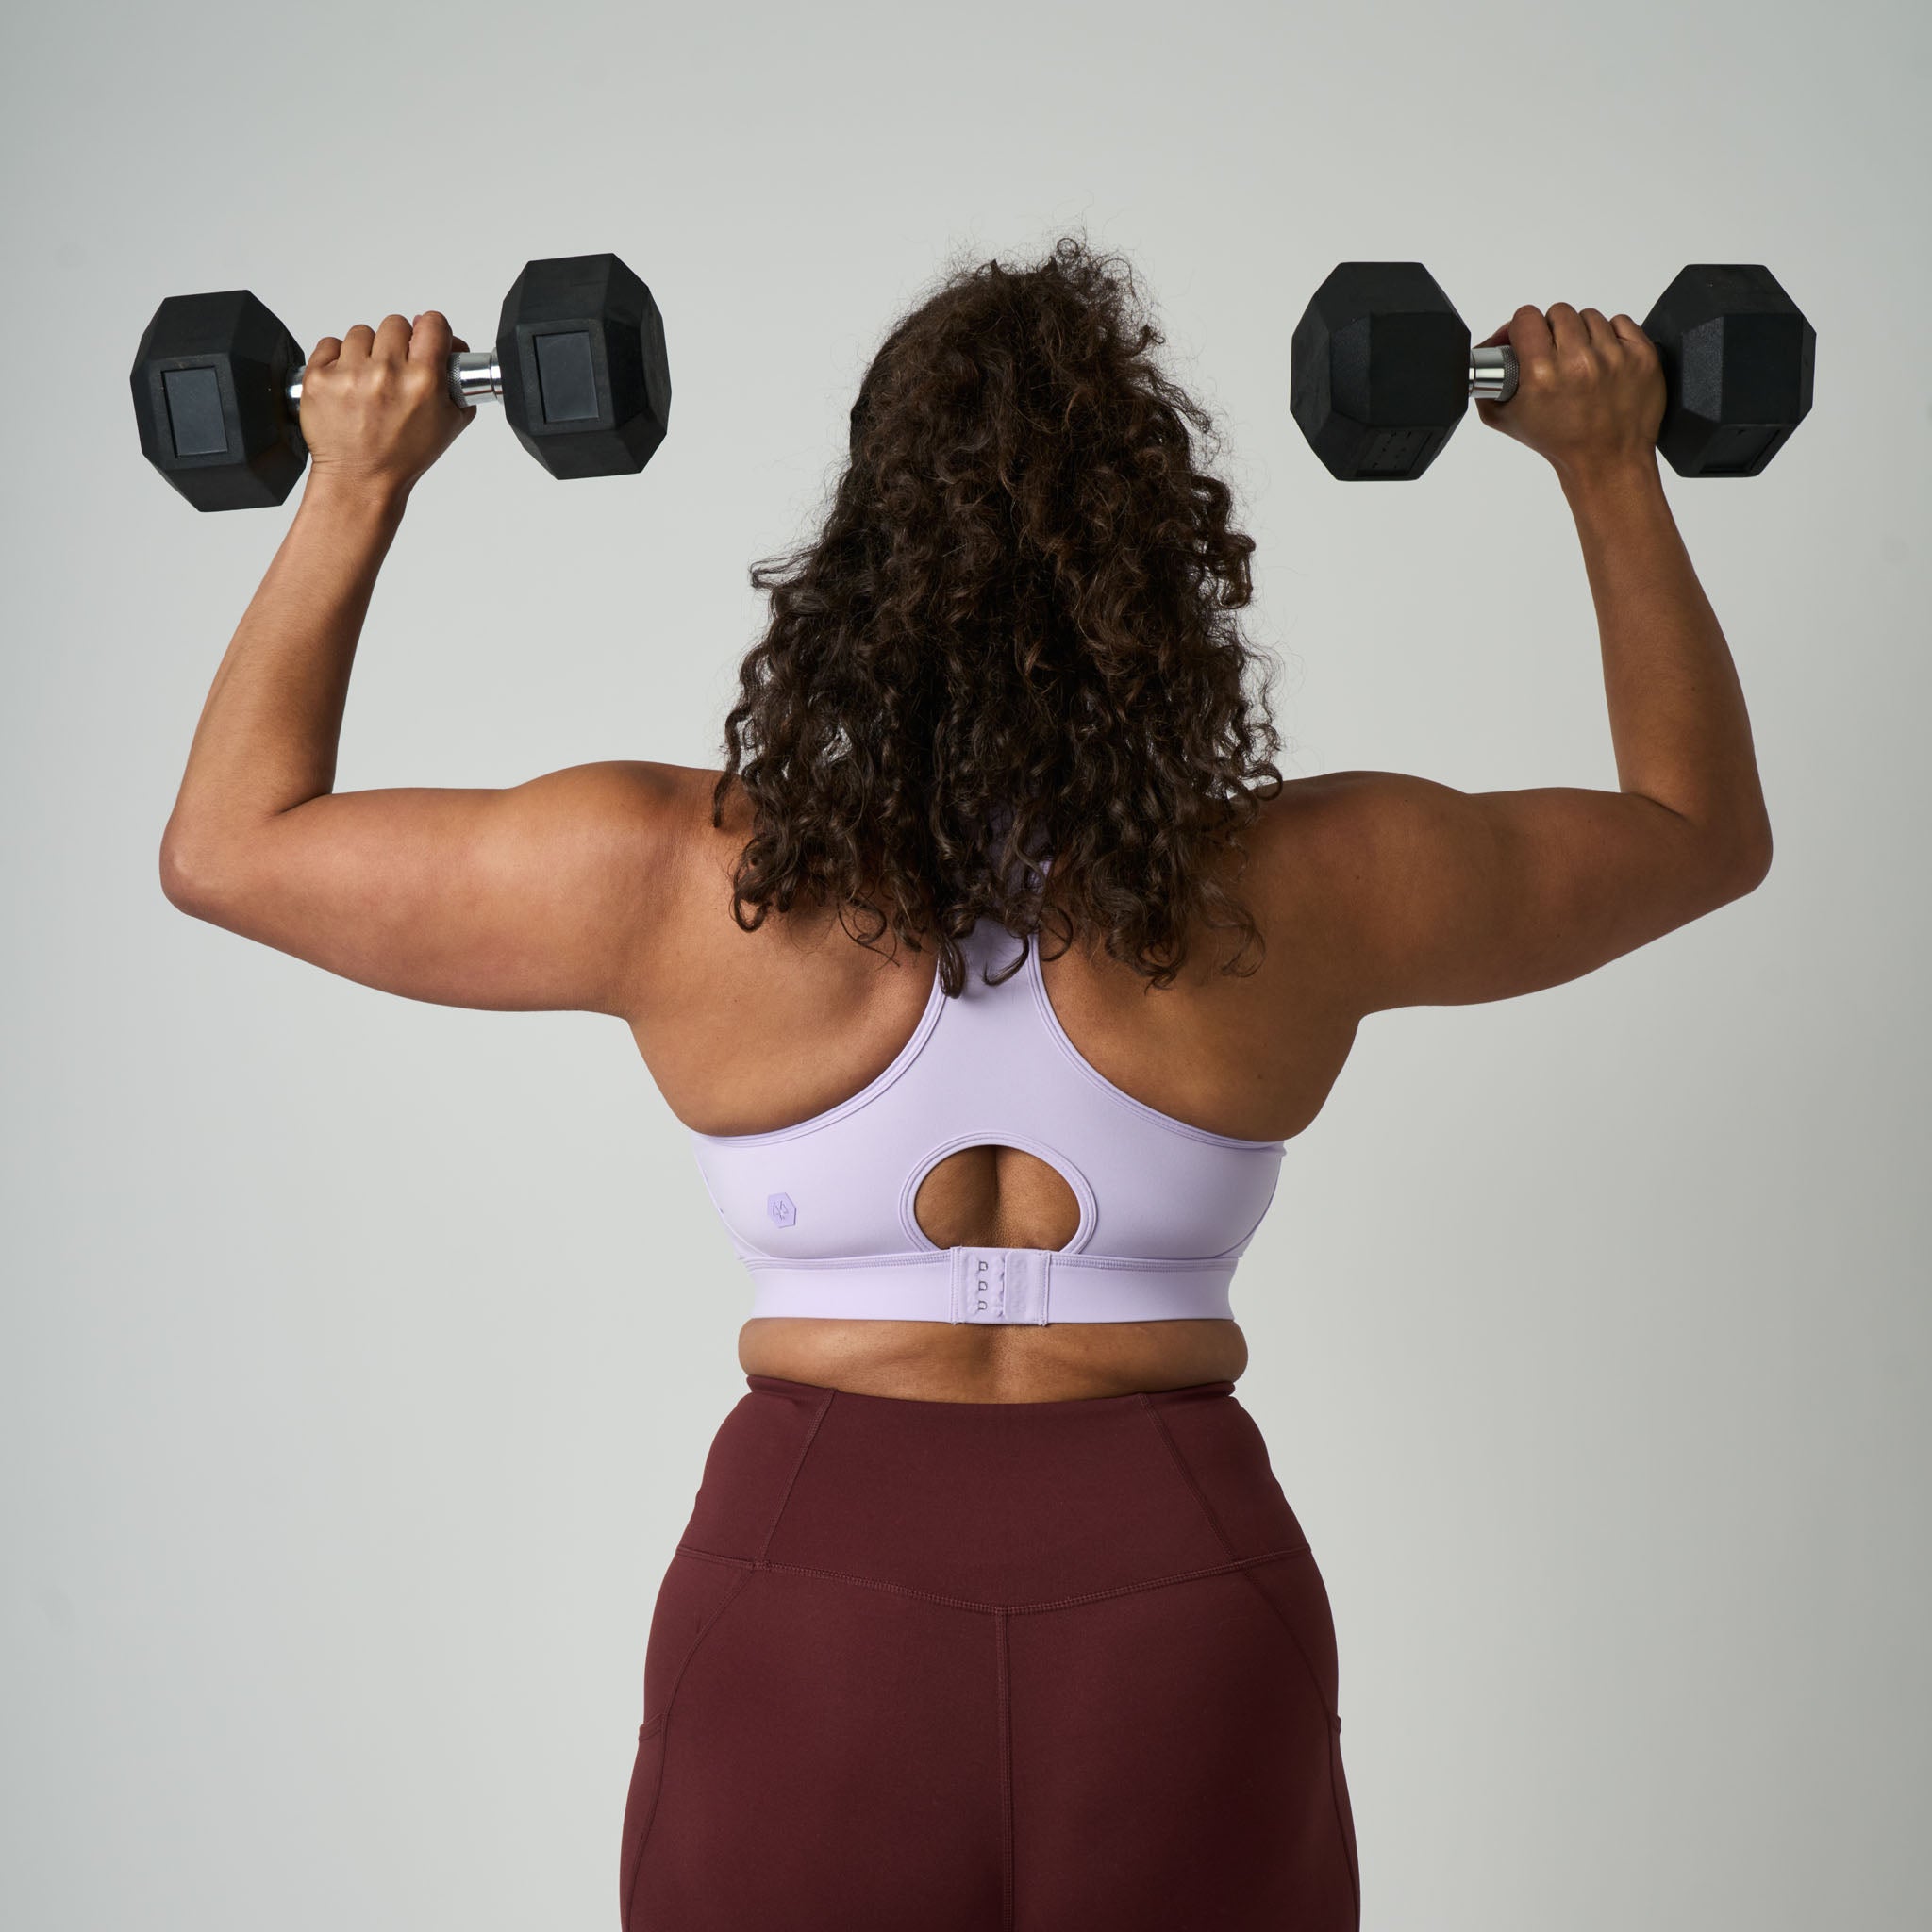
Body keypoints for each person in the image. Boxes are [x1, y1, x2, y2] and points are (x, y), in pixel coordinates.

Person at [158, 237, 1772, 1932]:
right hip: (1180, 1605)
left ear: (859, 560)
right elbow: (1696, 832)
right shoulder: (1305, 885)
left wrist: (357, 477)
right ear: (1166, 568)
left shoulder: (674, 875)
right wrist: (1609, 464)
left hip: (810, 1603)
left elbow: (230, 848)